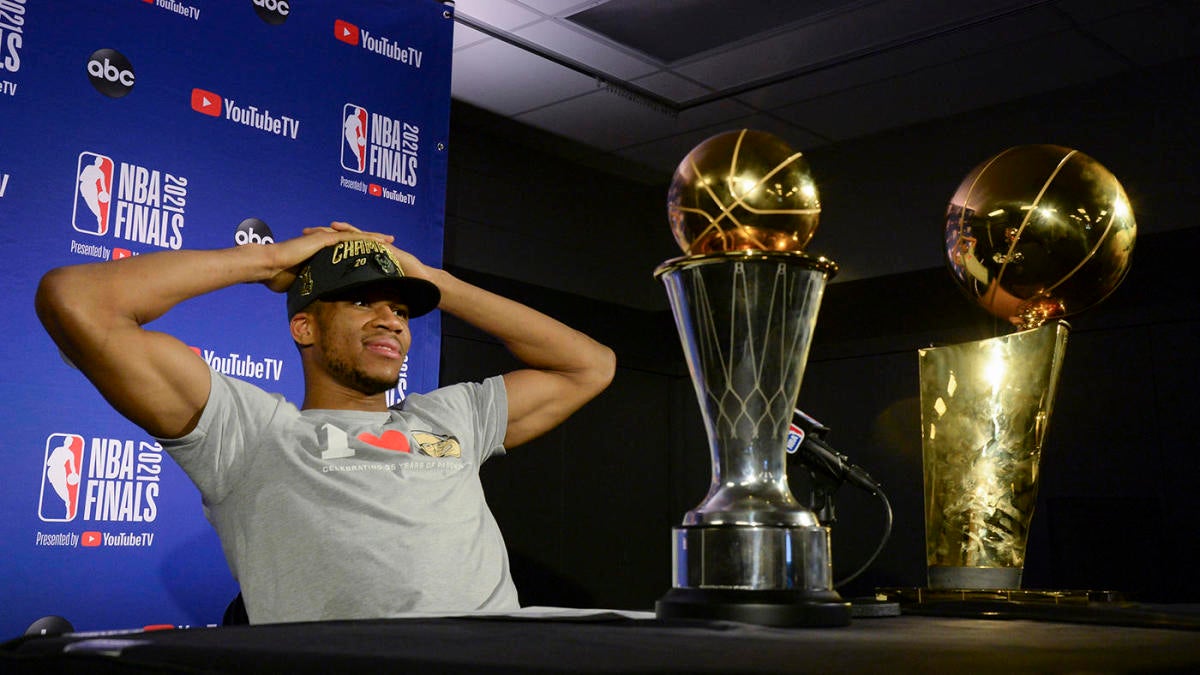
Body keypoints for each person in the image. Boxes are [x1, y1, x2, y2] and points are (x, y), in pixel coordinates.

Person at [35, 222, 616, 624]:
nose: (391, 319)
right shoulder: (251, 432)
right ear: (305, 329)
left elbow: (589, 365)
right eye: (364, 302)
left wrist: (435, 281)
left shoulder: (451, 416)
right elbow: (76, 301)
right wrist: (268, 259)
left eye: (401, 309)